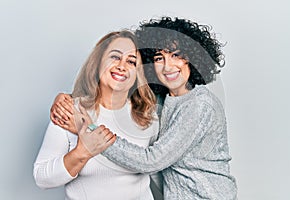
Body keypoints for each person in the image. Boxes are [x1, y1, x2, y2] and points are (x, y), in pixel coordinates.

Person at [52, 17, 238, 199]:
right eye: (159, 58)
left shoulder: (199, 105)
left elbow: (152, 161)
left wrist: (89, 131)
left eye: (176, 55)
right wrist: (67, 100)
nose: (167, 66)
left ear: (192, 59)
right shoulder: (161, 100)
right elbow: (113, 91)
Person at [33, 30, 162, 200]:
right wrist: (82, 152)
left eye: (131, 61)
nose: (122, 66)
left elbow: (158, 173)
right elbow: (42, 178)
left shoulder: (148, 116)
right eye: (115, 57)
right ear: (98, 63)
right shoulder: (69, 110)